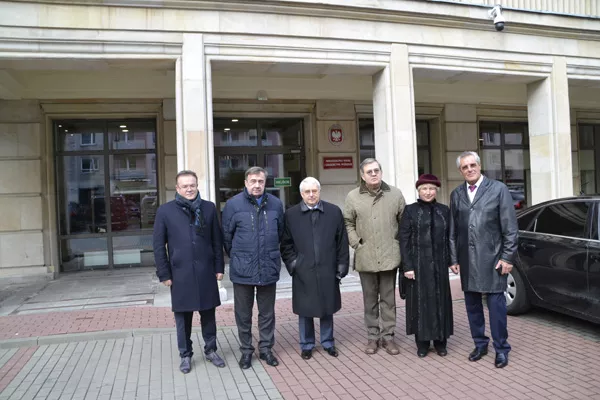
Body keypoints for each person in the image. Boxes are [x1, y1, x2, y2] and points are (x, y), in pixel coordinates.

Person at [449, 151, 518, 369]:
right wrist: (453, 258)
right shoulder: (456, 194)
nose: (469, 169)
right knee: (473, 307)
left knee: (496, 308)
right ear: (460, 171)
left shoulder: (498, 189)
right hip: (467, 260)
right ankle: (480, 344)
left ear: (479, 166)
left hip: (493, 259)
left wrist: (507, 257)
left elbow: (510, 227)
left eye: (472, 165)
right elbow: (453, 230)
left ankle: (501, 349)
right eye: (465, 167)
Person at [153, 170, 226, 374]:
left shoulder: (209, 208)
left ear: (197, 185)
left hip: (206, 271)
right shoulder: (165, 211)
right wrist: (164, 274)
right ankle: (185, 354)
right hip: (180, 274)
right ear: (177, 188)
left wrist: (219, 268)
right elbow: (158, 246)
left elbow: (217, 240)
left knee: (208, 314)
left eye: (192, 185)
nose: (189, 189)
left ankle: (211, 350)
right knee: (182, 318)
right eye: (184, 186)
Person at [222, 166, 285, 369]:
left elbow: (281, 233)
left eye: (260, 181)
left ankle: (266, 349)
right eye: (253, 181)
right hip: (243, 269)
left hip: (268, 267)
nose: (257, 185)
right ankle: (246, 351)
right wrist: (240, 256)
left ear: (265, 183)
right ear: (246, 183)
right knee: (243, 314)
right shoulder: (233, 205)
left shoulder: (276, 204)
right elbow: (227, 237)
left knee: (267, 313)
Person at [280, 177, 349, 360]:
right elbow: (286, 244)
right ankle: (307, 344)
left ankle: (328, 342)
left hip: (327, 267)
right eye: (307, 192)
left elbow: (342, 241)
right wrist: (294, 263)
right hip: (303, 269)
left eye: (314, 191)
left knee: (327, 306)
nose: (311, 195)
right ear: (301, 194)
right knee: (305, 309)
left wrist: (341, 265)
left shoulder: (333, 212)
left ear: (319, 191)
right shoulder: (291, 215)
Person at [343, 158, 406, 355]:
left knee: (388, 300)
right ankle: (372, 337)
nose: (373, 174)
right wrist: (356, 243)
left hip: (389, 256)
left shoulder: (395, 194)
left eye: (376, 170)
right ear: (362, 175)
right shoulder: (353, 197)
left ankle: (388, 337)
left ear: (381, 172)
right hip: (366, 256)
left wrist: (396, 243)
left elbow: (404, 223)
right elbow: (347, 223)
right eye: (369, 171)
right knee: (369, 300)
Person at [399, 174, 453, 358]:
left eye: (431, 188)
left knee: (440, 302)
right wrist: (407, 266)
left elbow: (450, 238)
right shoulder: (410, 211)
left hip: (439, 265)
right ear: (418, 191)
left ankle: (440, 342)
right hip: (418, 266)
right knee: (420, 304)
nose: (428, 192)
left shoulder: (444, 211)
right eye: (424, 189)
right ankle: (422, 343)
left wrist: (452, 261)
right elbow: (404, 240)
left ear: (436, 190)